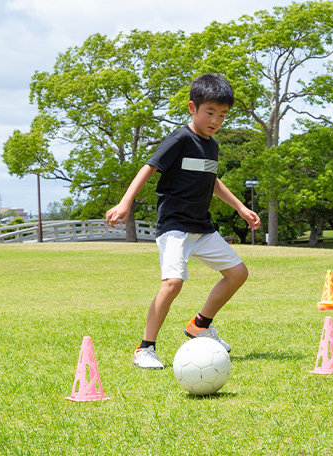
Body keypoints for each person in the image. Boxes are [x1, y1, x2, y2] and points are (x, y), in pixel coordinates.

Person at [105, 73, 260, 370]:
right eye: (209, 112)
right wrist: (126, 202)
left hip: (201, 227)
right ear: (193, 108)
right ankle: (145, 348)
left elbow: (211, 180)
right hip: (174, 225)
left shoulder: (211, 145)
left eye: (223, 115)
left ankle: (200, 325)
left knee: (238, 273)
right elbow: (149, 168)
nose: (215, 120)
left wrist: (240, 206)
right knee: (173, 282)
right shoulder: (179, 138)